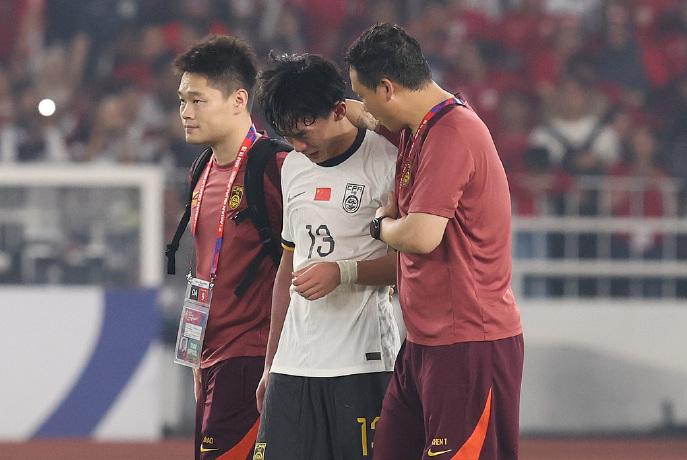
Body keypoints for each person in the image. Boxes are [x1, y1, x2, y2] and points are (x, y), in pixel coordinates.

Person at [346, 24, 524, 460]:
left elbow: (422, 235)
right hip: (425, 343)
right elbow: (369, 117)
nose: (364, 106)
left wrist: (381, 226)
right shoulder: (420, 127)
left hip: (469, 343)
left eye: (364, 94)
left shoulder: (452, 133)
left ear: (387, 88)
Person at [252, 52, 401, 460]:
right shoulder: (293, 167)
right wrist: (271, 362)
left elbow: (410, 266)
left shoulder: (386, 162)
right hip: (294, 363)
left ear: (339, 110)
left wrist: (343, 272)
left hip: (363, 361)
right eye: (289, 136)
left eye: (305, 132)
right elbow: (289, 266)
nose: (299, 146)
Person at [173, 35, 289, 460]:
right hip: (210, 359)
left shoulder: (275, 166)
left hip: (252, 358)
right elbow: (206, 265)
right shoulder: (201, 169)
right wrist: (197, 353)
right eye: (182, 100)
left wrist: (277, 362)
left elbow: (303, 260)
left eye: (198, 100)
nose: (186, 112)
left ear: (239, 100)